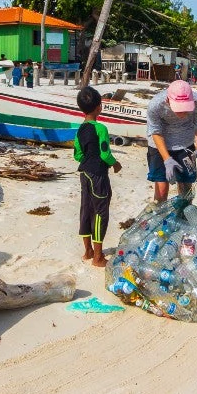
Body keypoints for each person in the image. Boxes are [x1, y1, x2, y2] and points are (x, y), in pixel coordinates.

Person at [74, 86, 121, 267]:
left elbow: (77, 154)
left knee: (86, 209)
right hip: (98, 174)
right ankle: (98, 257)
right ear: (99, 107)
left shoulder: (80, 129)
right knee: (101, 211)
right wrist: (115, 164)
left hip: (84, 173)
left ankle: (87, 251)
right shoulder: (101, 128)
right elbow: (104, 154)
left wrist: (87, 158)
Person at [145, 80, 197, 202]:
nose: (183, 113)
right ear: (168, 100)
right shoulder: (155, 105)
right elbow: (156, 132)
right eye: (179, 108)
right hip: (159, 144)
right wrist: (167, 159)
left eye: (186, 108)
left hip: (186, 143)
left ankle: (183, 216)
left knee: (186, 187)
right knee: (162, 190)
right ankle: (160, 216)